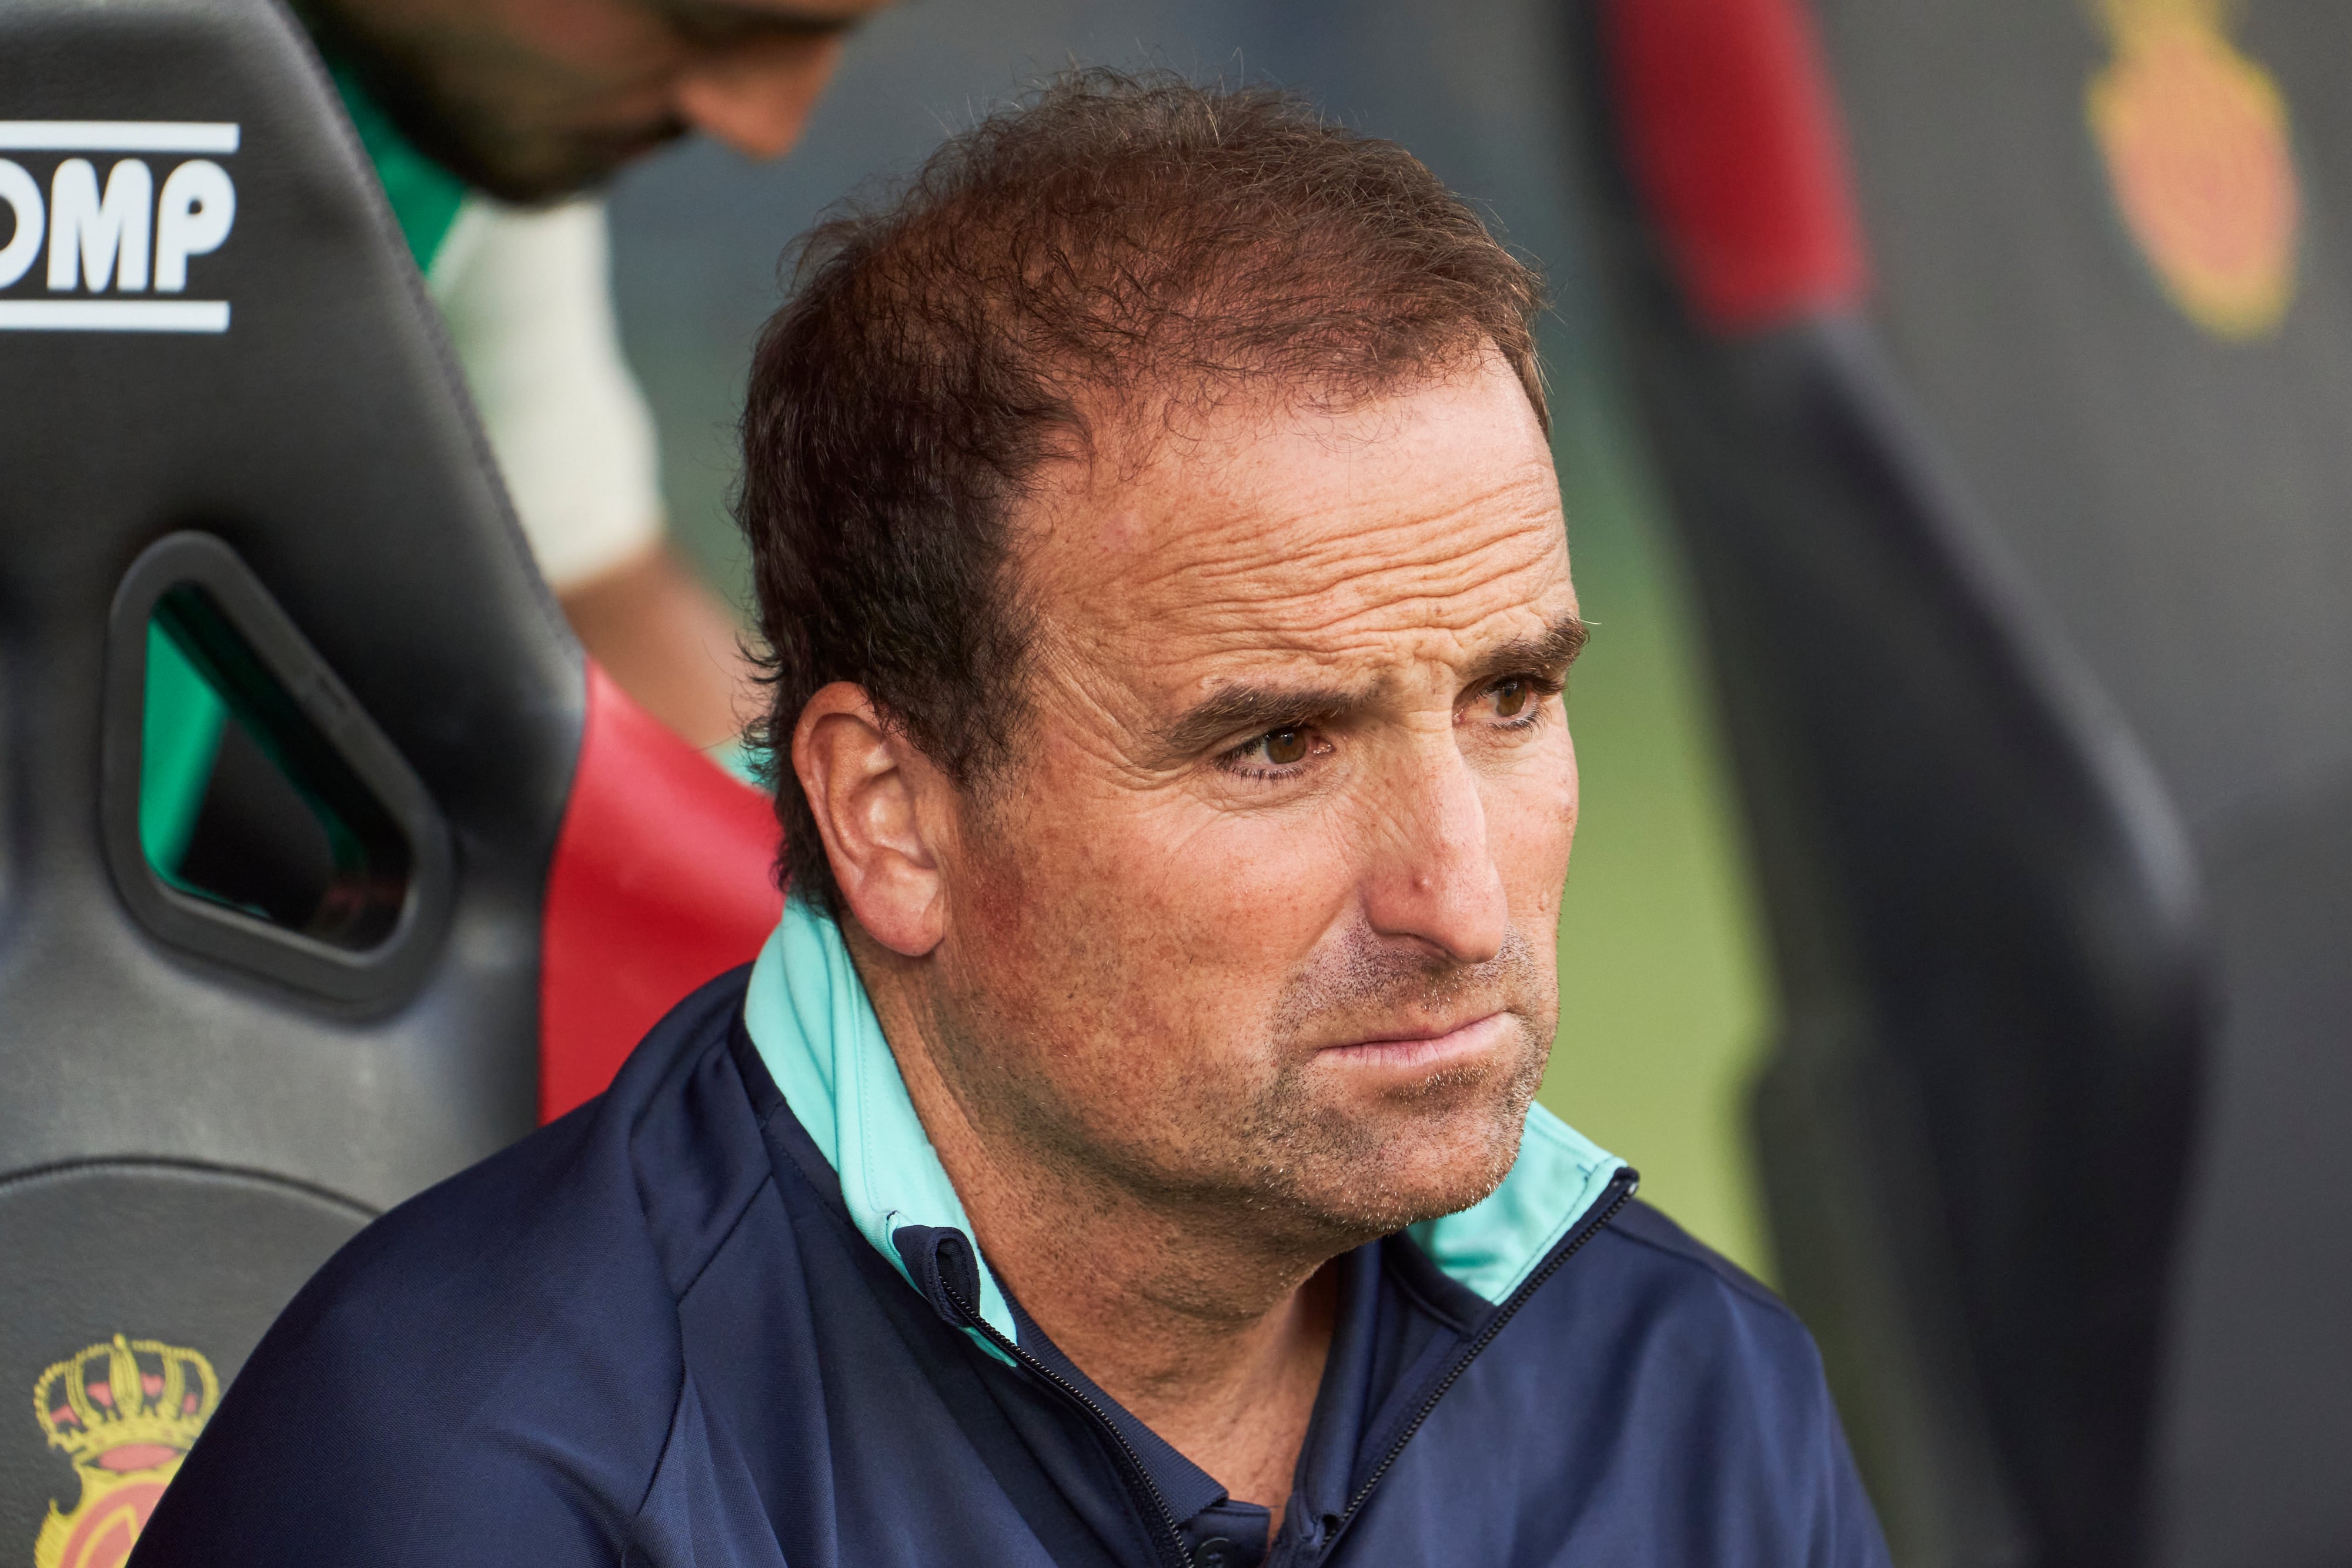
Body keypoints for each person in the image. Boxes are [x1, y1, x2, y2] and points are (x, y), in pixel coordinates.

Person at [128, 71, 1891, 1567]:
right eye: (1275, 743)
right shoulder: (480, 1480)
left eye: (1510, 698)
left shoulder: (1695, 1400)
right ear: (890, 819)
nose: (1458, 893)